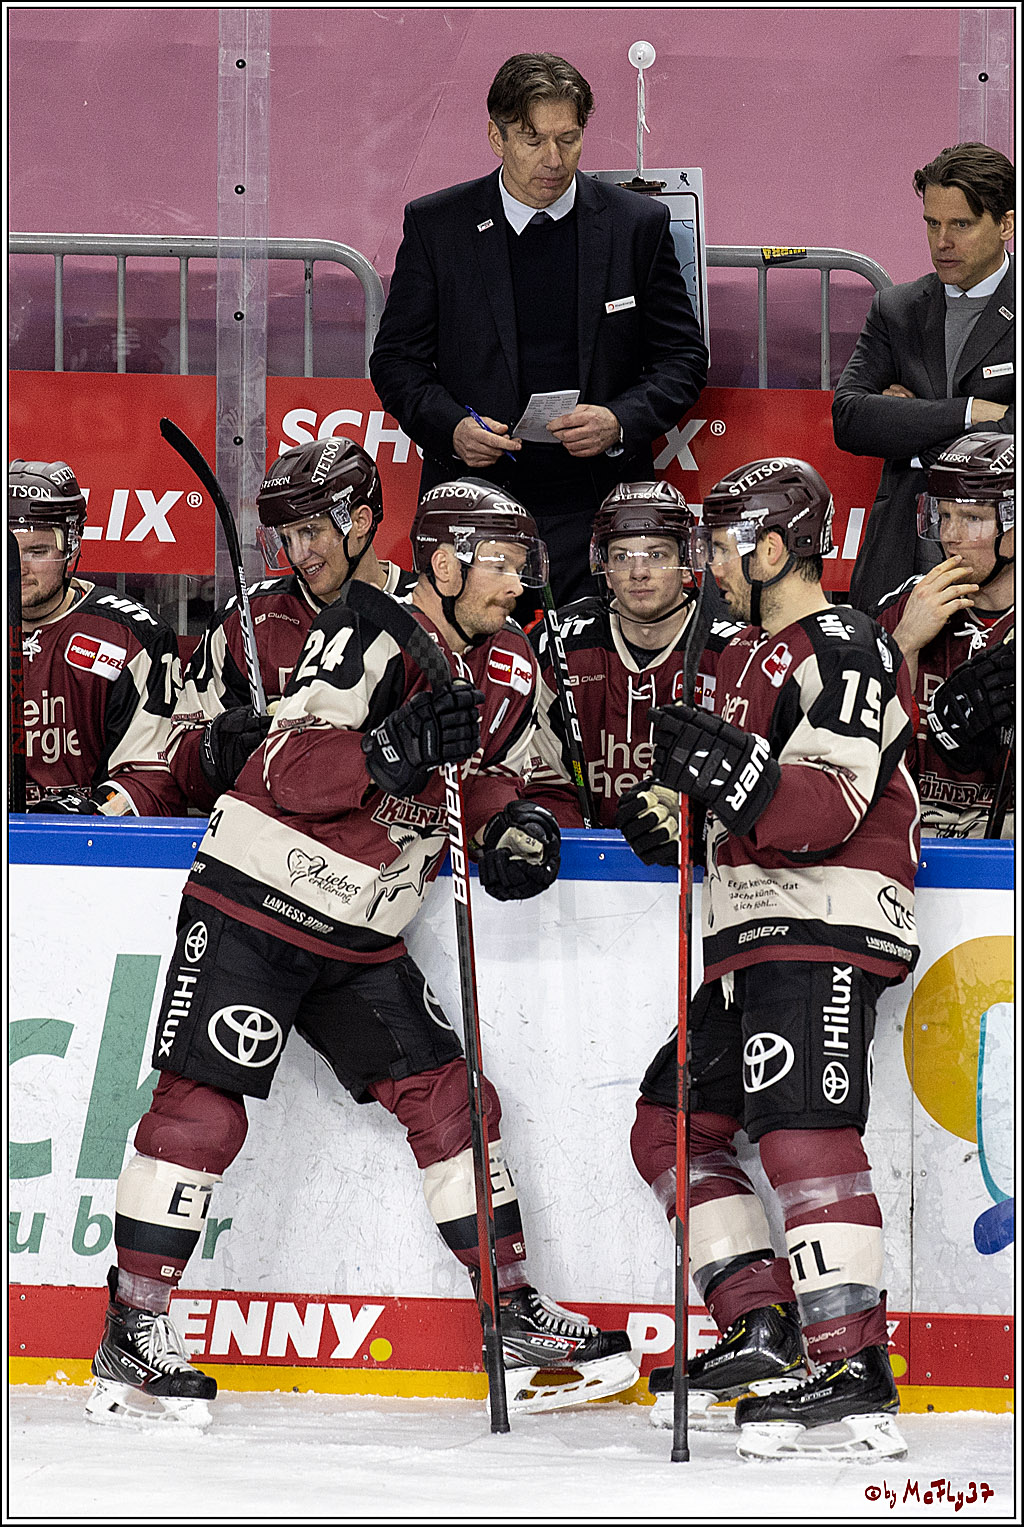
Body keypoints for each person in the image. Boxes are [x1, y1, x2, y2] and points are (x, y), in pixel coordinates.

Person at [85, 476, 637, 1428]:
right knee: (202, 1114)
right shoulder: (369, 630)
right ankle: (133, 1333)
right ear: (447, 560)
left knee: (452, 1100)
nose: (515, 585)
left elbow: (497, 782)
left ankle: (511, 1319)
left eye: (520, 566)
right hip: (259, 901)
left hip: (364, 930)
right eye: (499, 565)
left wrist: (517, 831)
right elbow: (288, 767)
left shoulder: (509, 662)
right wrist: (386, 751)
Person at [618, 458, 919, 1460]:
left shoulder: (843, 648)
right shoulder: (749, 654)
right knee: (670, 1129)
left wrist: (733, 776)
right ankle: (762, 1326)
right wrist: (671, 812)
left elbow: (821, 810)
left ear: (774, 548)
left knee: (800, 1132)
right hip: (753, 927)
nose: (703, 560)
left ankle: (851, 1365)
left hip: (822, 918)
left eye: (718, 542)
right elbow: (746, 802)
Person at [369, 51, 708, 608]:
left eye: (569, 139)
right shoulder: (438, 226)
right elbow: (396, 361)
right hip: (474, 503)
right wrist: (451, 426)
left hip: (601, 505)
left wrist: (620, 420)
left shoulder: (635, 226)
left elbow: (683, 359)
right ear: (495, 137)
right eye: (533, 140)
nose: (553, 159)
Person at [167, 437, 417, 811]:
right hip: (272, 843)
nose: (298, 555)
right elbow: (180, 755)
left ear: (360, 521)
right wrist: (218, 749)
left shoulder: (428, 612)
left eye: (310, 532)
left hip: (393, 845)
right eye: (286, 537)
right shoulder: (246, 618)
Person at [833, 142, 1014, 614]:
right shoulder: (897, 308)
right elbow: (850, 418)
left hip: (1000, 557)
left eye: (961, 225)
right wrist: (971, 413)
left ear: (1006, 225)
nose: (942, 241)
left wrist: (907, 422)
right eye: (933, 224)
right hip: (899, 545)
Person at [524, 479, 741, 827]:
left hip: (695, 862)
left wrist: (691, 828)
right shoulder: (559, 644)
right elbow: (542, 782)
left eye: (656, 555)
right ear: (605, 571)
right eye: (622, 557)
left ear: (686, 564)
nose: (639, 572)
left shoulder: (731, 650)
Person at [8, 458, 185, 815]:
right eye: (9, 551)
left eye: (37, 551)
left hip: (92, 852)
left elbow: (156, 775)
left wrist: (92, 814)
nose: (18, 567)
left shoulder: (133, 638)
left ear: (70, 545)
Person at [874, 432, 1014, 838]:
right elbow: (862, 759)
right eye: (945, 515)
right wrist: (904, 644)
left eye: (971, 518)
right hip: (916, 830)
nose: (950, 535)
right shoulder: (904, 605)